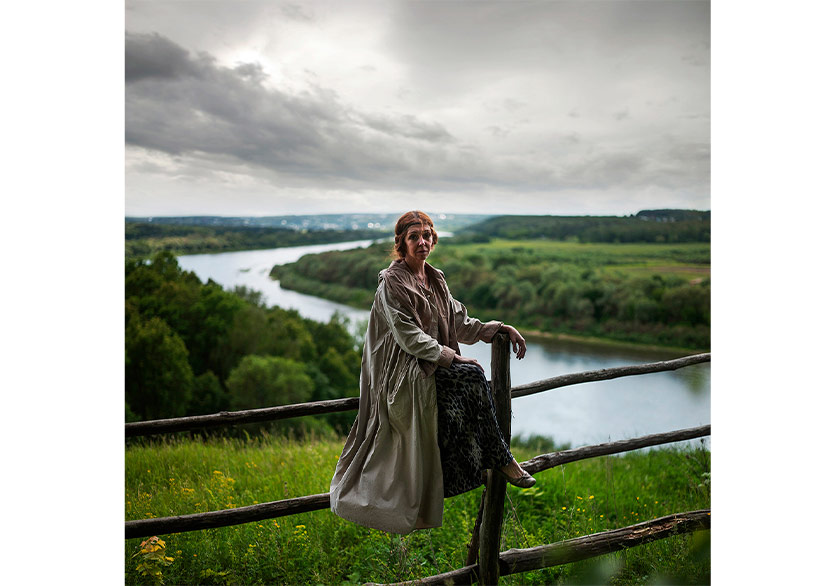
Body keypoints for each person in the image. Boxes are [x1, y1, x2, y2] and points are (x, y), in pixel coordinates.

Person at [330, 210, 534, 534]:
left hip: (431, 362)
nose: (422, 241)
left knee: (471, 384)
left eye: (427, 235)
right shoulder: (391, 282)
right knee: (472, 377)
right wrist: (450, 357)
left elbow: (459, 323)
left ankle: (485, 462)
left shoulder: (435, 279)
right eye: (414, 237)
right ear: (402, 243)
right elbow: (408, 335)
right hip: (402, 373)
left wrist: (499, 328)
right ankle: (502, 460)